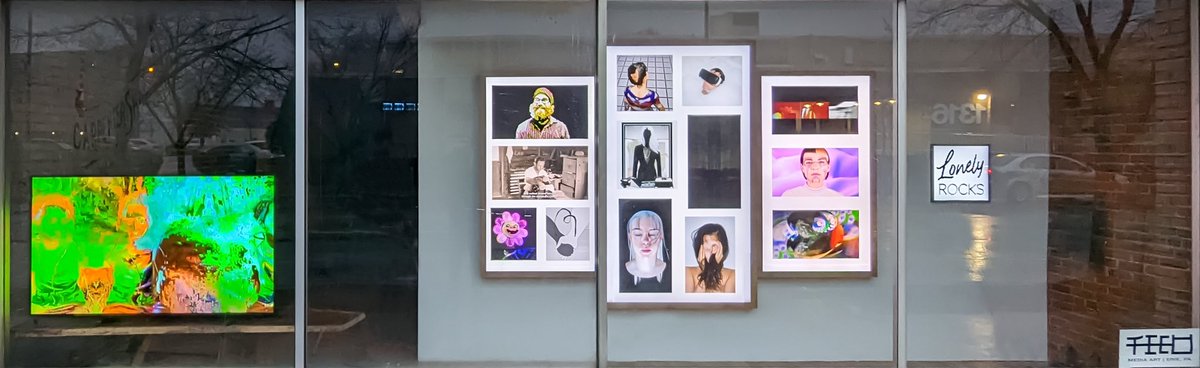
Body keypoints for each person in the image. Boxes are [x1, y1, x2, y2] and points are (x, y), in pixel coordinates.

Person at [621, 210, 670, 292]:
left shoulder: (674, 273)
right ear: (630, 237)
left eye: (653, 233)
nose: (645, 241)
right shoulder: (619, 274)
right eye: (638, 234)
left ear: (661, 235)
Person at [685, 223, 736, 293]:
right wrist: (705, 271)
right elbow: (692, 302)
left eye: (714, 245)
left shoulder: (732, 275)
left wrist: (713, 270)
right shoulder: (688, 272)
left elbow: (723, 303)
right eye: (706, 243)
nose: (710, 249)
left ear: (722, 247)